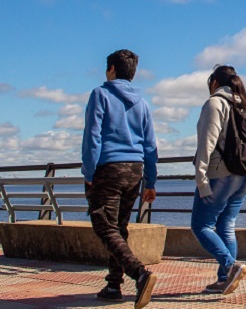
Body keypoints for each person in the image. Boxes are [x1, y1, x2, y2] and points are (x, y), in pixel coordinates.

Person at [81, 49, 158, 309]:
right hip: (134, 170)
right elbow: (150, 145)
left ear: (112, 69)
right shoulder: (143, 104)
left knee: (104, 226)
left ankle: (140, 274)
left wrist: (89, 173)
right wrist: (150, 181)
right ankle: (113, 285)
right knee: (120, 227)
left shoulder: (100, 94)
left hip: (108, 169)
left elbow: (92, 136)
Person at [191, 65, 246, 295]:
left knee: (200, 226)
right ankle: (224, 280)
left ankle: (230, 267)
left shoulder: (215, 102)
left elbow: (206, 143)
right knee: (226, 225)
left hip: (220, 175)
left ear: (215, 83)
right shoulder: (242, 104)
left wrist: (201, 179)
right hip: (244, 176)